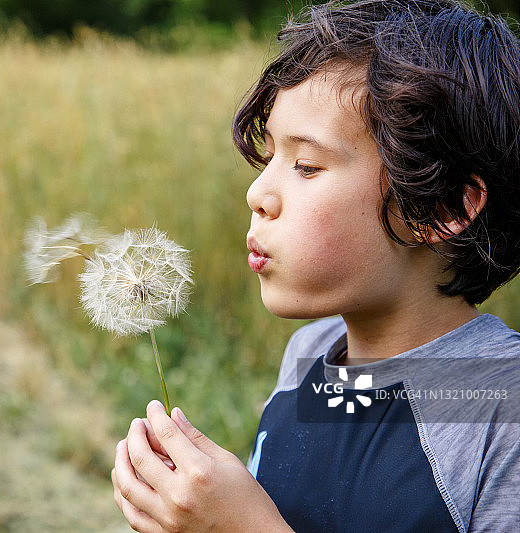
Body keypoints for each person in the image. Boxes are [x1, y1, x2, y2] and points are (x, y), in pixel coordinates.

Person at [111, 0, 520, 531]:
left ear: (443, 208)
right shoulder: (307, 356)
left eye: (305, 166)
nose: (257, 193)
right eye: (269, 159)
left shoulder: (501, 405)